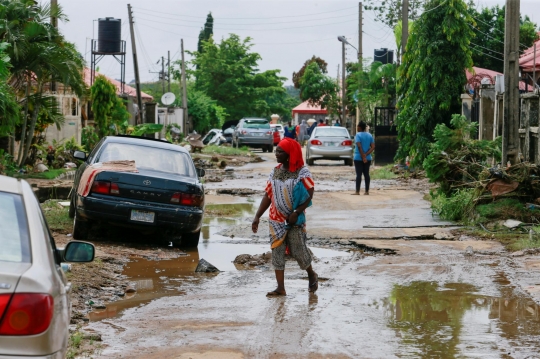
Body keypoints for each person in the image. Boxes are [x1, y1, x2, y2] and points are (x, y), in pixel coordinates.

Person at [252, 137, 318, 296]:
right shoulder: (275, 171)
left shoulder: (302, 172)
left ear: (289, 154)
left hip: (294, 219)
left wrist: (297, 212)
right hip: (276, 219)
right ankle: (280, 288)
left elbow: (309, 193)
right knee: (277, 252)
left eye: (281, 151)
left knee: (298, 252)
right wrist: (257, 216)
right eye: (277, 150)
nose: (277, 153)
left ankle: (311, 274)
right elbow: (268, 195)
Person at [353, 121, 375, 195]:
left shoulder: (358, 135)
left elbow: (359, 146)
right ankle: (366, 191)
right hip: (368, 158)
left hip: (358, 158)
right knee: (366, 174)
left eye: (357, 126)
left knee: (358, 175)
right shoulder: (369, 135)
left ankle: (357, 191)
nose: (357, 128)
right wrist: (366, 154)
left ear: (359, 127)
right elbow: (373, 147)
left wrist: (362, 155)